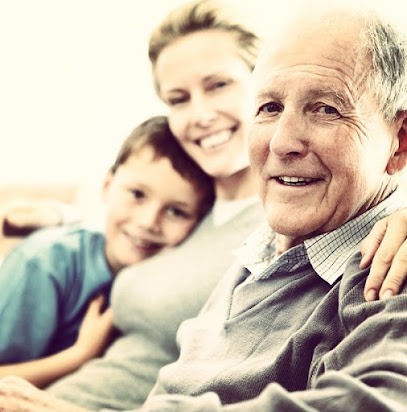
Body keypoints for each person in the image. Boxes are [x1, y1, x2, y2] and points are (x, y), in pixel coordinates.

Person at [1, 0, 407, 411]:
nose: (283, 141)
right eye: (271, 107)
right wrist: (57, 214)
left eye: (325, 109)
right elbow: (114, 207)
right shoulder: (233, 222)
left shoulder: (380, 255)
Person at [0, 115, 214, 388]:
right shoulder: (43, 263)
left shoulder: (169, 287)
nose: (148, 221)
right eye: (137, 194)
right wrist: (80, 355)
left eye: (176, 211)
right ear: (107, 187)